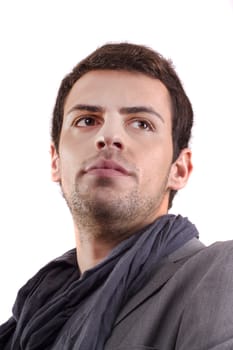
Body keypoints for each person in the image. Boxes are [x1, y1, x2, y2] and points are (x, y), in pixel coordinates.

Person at [0, 42, 233, 350]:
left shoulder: (219, 272)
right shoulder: (32, 320)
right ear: (56, 161)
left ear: (179, 169)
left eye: (141, 123)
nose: (108, 136)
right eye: (87, 120)